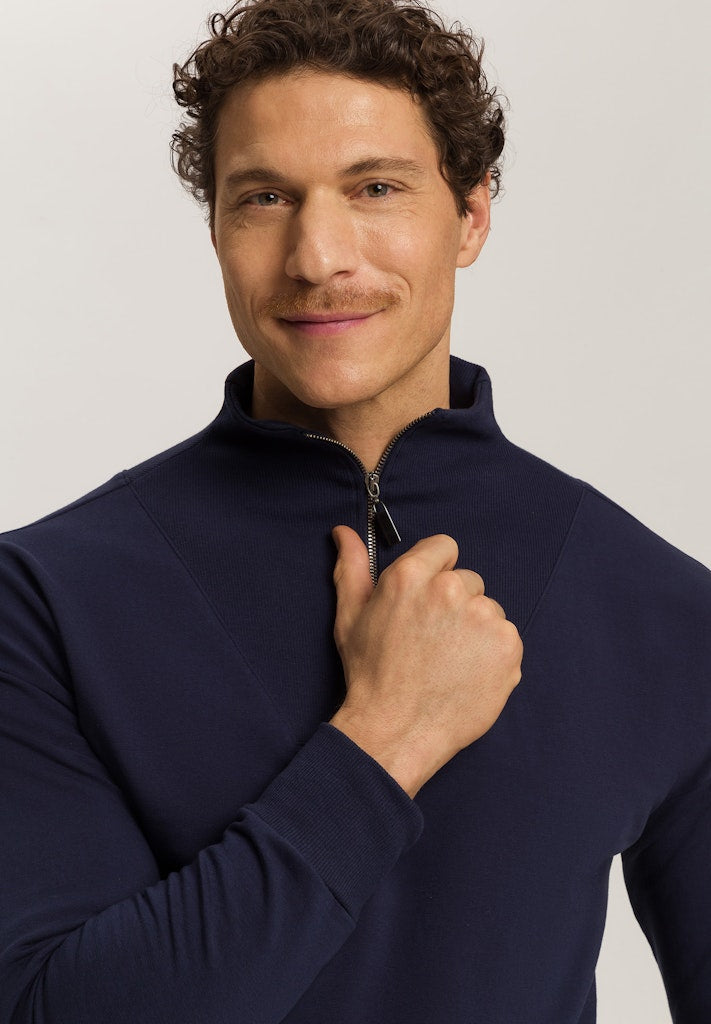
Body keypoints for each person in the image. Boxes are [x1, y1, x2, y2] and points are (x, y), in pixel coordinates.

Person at [0, 0, 709, 1020]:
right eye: (264, 198)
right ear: (216, 229)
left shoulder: (663, 612)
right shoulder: (43, 601)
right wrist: (384, 739)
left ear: (471, 215)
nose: (317, 255)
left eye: (375, 187)